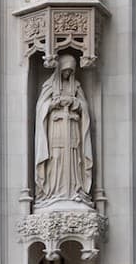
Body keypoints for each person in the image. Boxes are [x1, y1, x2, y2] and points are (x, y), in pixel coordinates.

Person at [34, 54, 92, 203]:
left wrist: (75, 103)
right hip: (56, 128)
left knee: (74, 158)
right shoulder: (49, 86)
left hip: (72, 127)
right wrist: (54, 104)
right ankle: (53, 191)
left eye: (70, 71)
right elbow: (41, 108)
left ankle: (74, 189)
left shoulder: (76, 86)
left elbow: (84, 107)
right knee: (56, 157)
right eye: (65, 70)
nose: (67, 73)